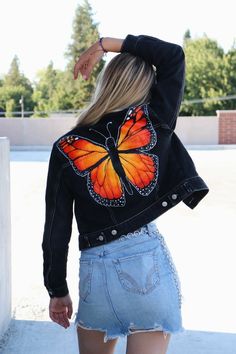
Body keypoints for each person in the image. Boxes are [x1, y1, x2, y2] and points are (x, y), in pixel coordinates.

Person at [42, 35, 209, 354]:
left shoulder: (66, 147)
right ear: (144, 87)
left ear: (106, 84)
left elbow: (56, 228)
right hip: (147, 263)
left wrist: (57, 289)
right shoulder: (153, 120)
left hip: (96, 271)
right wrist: (105, 44)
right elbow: (173, 56)